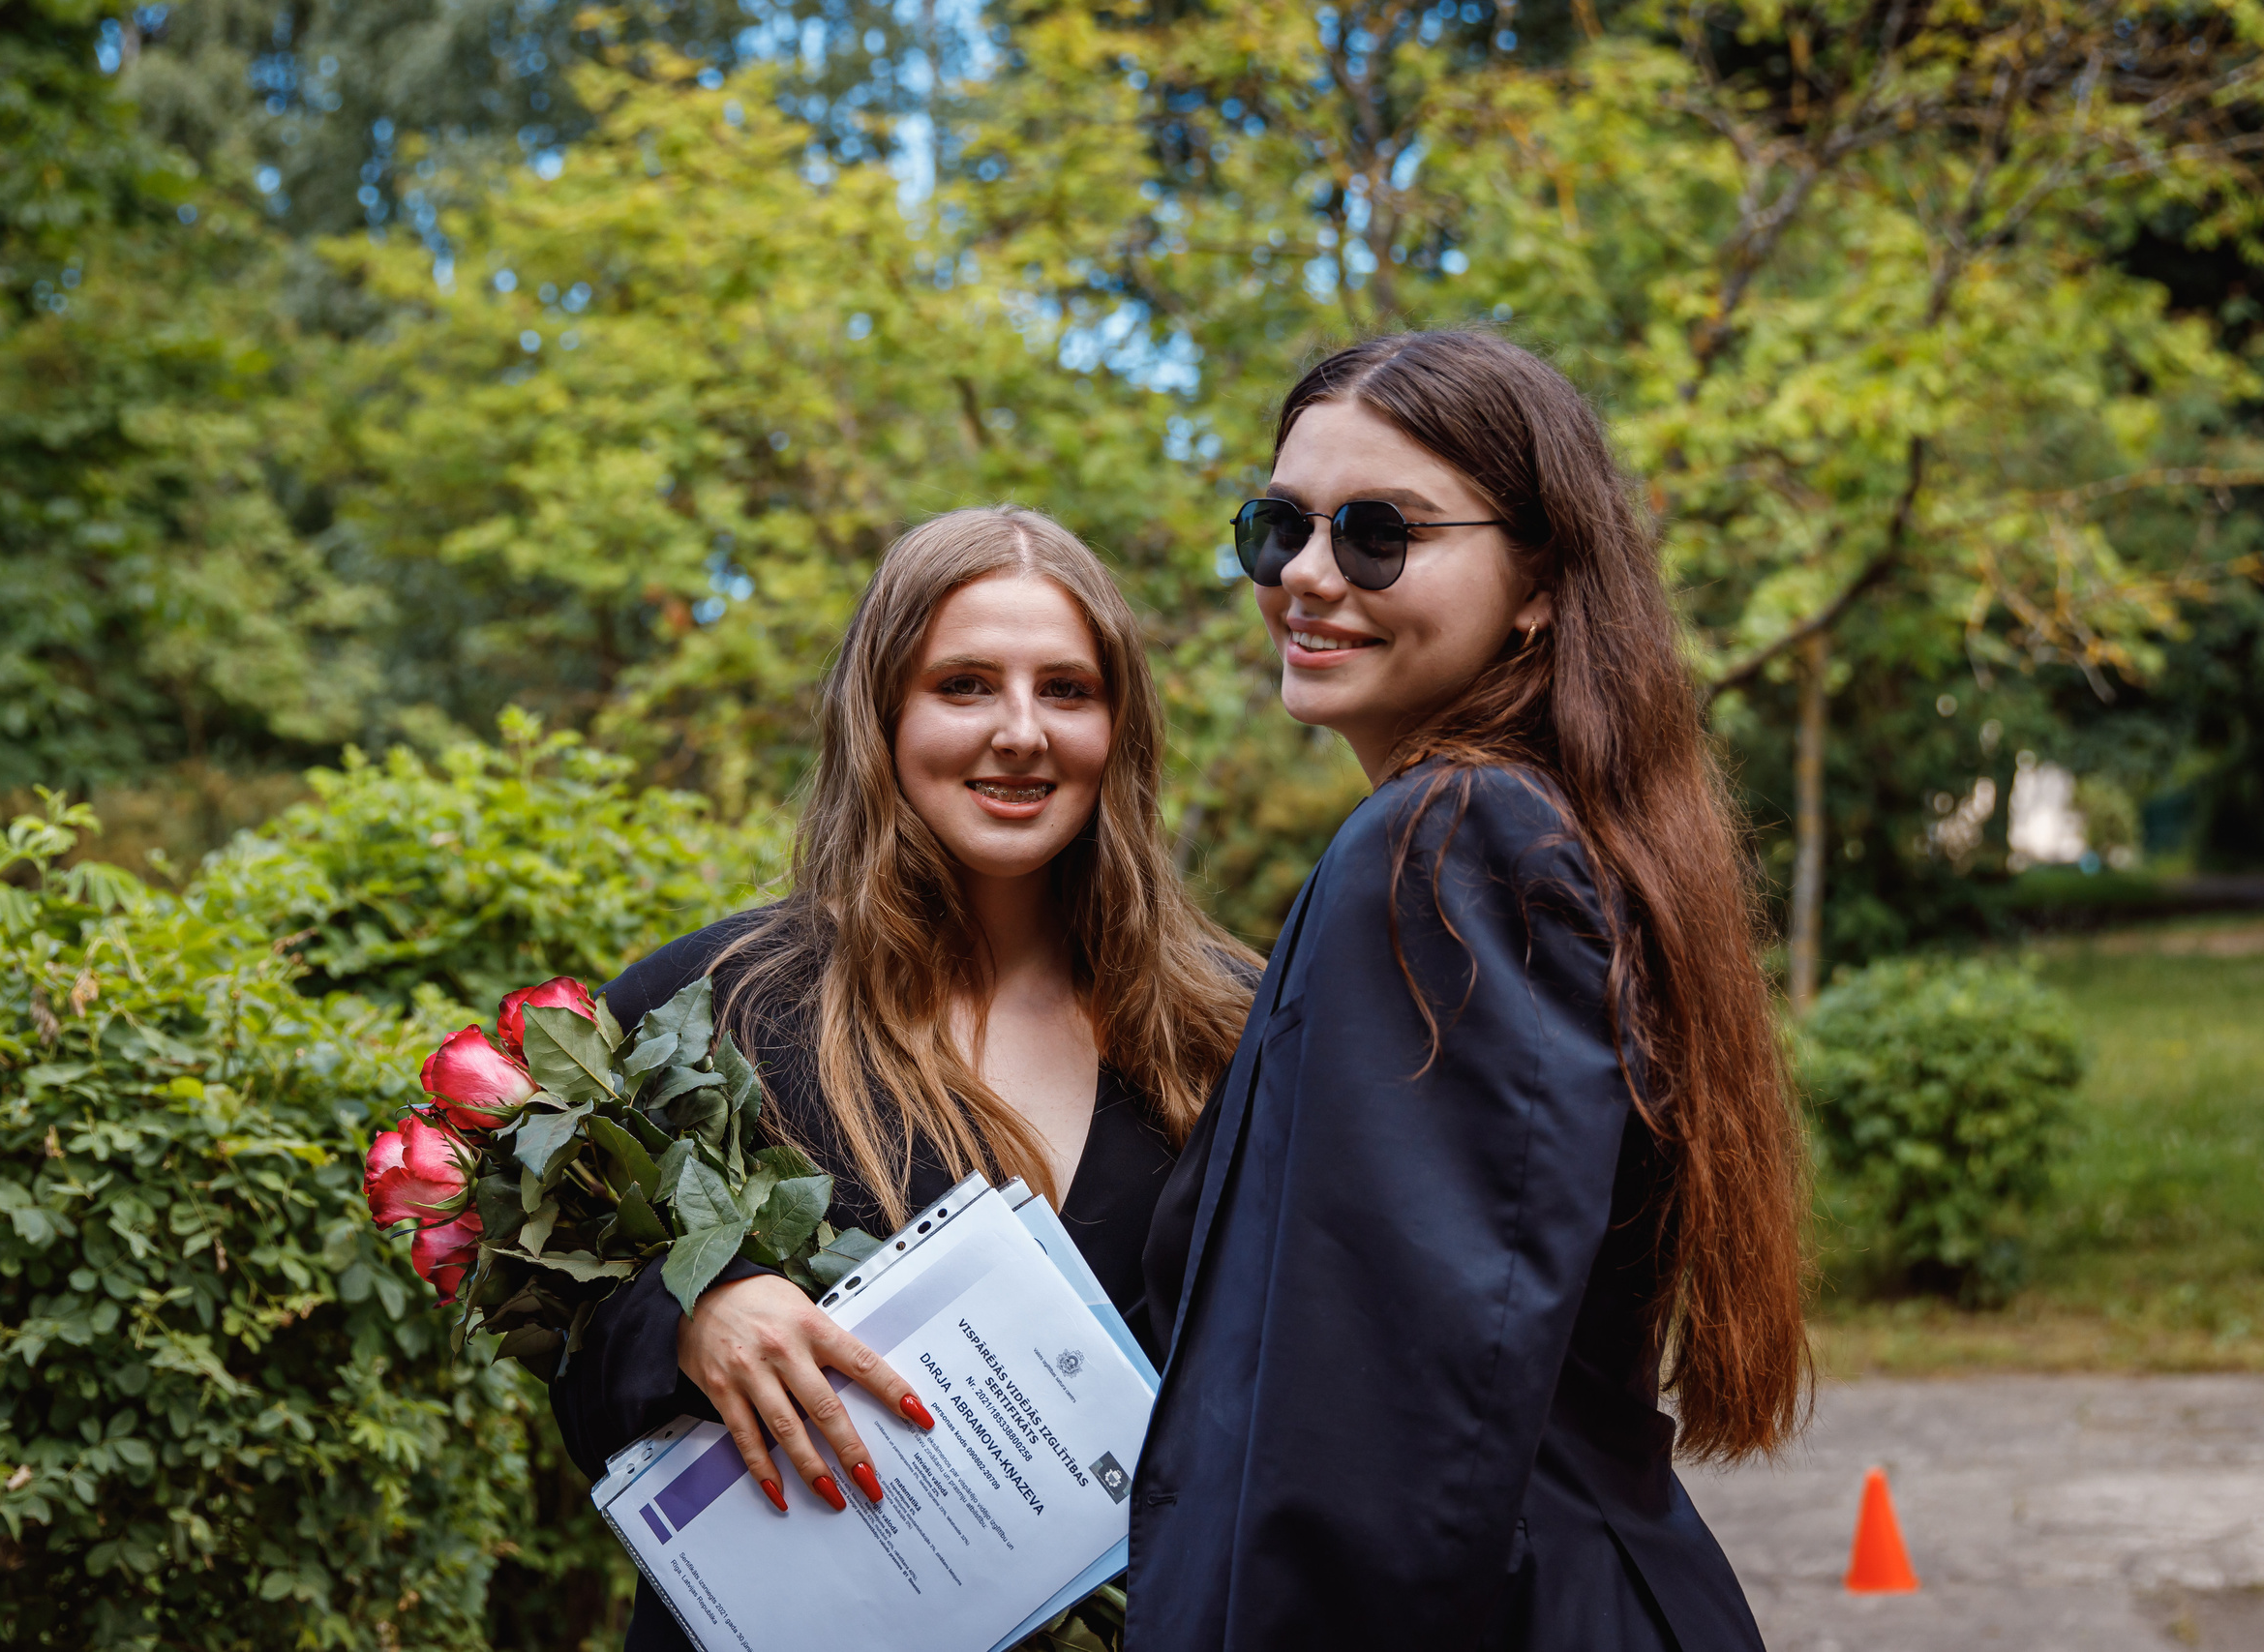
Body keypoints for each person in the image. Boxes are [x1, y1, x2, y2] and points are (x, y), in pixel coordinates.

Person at [1127, 331, 1809, 1652]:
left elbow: (1393, 1422)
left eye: (1381, 534)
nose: (1310, 577)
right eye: (1280, 527)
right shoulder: (1534, 829)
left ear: (1540, 581)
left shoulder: (1449, 844)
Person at [552, 505, 1258, 1652]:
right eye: (965, 685)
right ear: (881, 713)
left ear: (1119, 727)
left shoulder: (1233, 1028)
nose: (1022, 732)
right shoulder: (708, 1006)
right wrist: (692, 1313)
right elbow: (579, 1388)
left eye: (1068, 691)